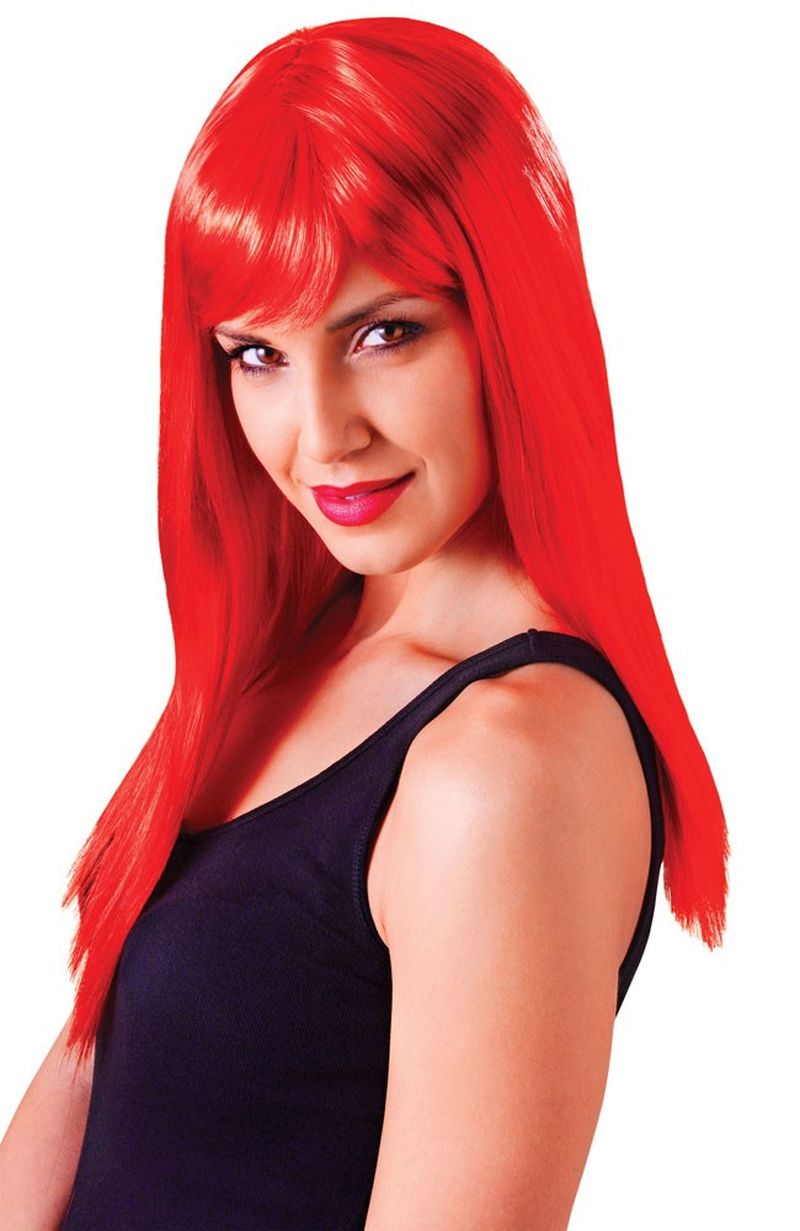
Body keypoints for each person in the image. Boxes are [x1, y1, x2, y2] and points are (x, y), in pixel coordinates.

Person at [0, 15, 728, 1230]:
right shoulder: (287, 664)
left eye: (383, 332)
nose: (321, 433)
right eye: (256, 354)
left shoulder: (506, 762)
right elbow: (81, 1111)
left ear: (508, 318)